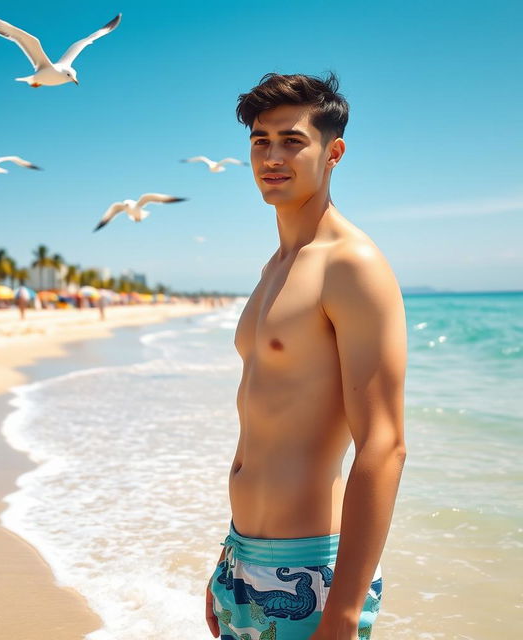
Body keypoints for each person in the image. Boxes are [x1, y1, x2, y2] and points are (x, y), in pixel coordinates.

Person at [206, 73, 407, 640]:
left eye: (292, 140)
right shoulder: (276, 266)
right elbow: (263, 428)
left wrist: (343, 611)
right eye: (260, 141)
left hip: (309, 573)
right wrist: (227, 561)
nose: (272, 156)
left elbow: (384, 444)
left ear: (333, 151)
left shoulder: (351, 265)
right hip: (242, 559)